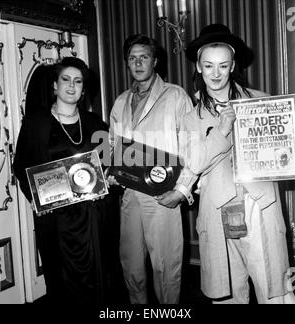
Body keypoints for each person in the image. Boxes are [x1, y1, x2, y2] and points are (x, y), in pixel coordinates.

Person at [180, 23, 295, 304]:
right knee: (228, 295)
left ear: (233, 66)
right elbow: (193, 163)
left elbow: (284, 150)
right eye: (208, 66)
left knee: (275, 291)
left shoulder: (262, 101)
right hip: (218, 208)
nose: (215, 74)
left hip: (261, 206)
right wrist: (222, 129)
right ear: (198, 67)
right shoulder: (190, 116)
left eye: (222, 66)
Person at [13, 57, 110, 305]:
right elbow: (21, 166)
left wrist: (109, 178)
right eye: (65, 80)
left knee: (96, 281)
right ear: (55, 85)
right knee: (60, 283)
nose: (71, 86)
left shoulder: (95, 123)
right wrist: (40, 200)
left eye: (78, 81)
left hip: (92, 217)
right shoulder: (36, 123)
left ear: (84, 89)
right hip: (56, 219)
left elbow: (109, 162)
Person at [108, 34, 196, 304]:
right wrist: (113, 171)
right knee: (131, 264)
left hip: (162, 195)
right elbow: (113, 143)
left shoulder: (175, 95)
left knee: (165, 266)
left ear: (155, 61)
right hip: (129, 195)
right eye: (132, 58)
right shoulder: (121, 101)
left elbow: (194, 147)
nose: (137, 63)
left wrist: (182, 191)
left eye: (143, 57)